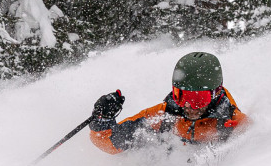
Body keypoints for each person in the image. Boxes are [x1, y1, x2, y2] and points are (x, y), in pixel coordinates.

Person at [88, 51, 250, 154]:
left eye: (197, 99)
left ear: (215, 93)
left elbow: (256, 144)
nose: (187, 105)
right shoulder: (164, 115)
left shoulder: (231, 121)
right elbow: (107, 143)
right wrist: (102, 121)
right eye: (181, 96)